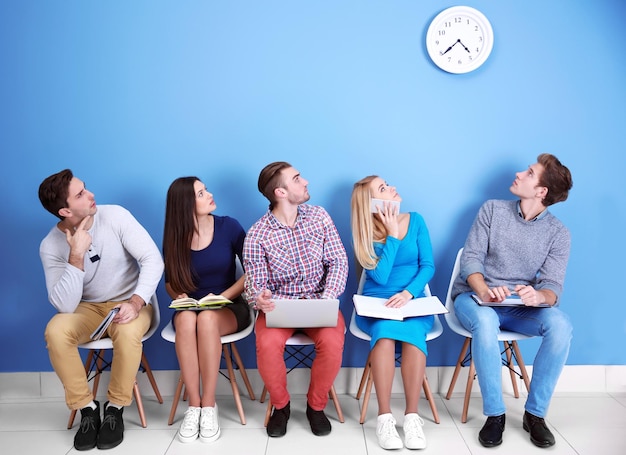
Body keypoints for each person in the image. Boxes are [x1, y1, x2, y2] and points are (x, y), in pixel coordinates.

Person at [451, 154, 574, 449]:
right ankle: (495, 415)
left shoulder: (558, 234)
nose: (520, 173)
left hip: (519, 307)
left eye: (529, 173)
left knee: (561, 325)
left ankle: (535, 415)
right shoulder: (492, 210)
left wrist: (539, 296)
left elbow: (553, 286)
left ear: (541, 191)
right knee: (485, 319)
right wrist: (484, 291)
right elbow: (471, 259)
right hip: (474, 299)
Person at [38, 169, 164, 451]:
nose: (91, 195)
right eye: (80, 194)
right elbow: (64, 305)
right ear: (64, 210)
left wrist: (135, 301)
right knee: (56, 331)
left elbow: (152, 260)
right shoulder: (50, 245)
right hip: (88, 309)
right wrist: (76, 256)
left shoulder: (116, 215)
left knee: (127, 330)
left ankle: (115, 409)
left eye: (86, 188)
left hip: (131, 301)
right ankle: (87, 409)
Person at [243, 161, 348, 438]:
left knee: (333, 341)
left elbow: (338, 261)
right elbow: (255, 283)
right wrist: (259, 299)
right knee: (266, 345)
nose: (306, 182)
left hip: (318, 300)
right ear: (280, 192)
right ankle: (281, 407)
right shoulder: (257, 234)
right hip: (280, 306)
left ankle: (316, 407)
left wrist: (326, 300)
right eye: (297, 179)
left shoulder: (319, 217)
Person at [162, 177, 251, 443]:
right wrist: (178, 296)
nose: (209, 194)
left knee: (207, 320)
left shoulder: (229, 227)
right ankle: (194, 407)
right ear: (186, 205)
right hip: (192, 306)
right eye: (201, 194)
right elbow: (169, 282)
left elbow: (253, 272)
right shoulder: (174, 238)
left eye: (205, 189)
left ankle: (209, 406)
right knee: (189, 320)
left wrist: (223, 296)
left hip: (228, 306)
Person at [351, 176, 434, 450]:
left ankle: (412, 417)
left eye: (388, 184)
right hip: (377, 303)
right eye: (384, 189)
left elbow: (428, 266)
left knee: (412, 334)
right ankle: (384, 418)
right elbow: (382, 278)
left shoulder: (417, 220)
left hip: (412, 300)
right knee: (384, 335)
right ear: (372, 204)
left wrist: (410, 293)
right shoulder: (365, 234)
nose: (394, 188)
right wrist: (392, 236)